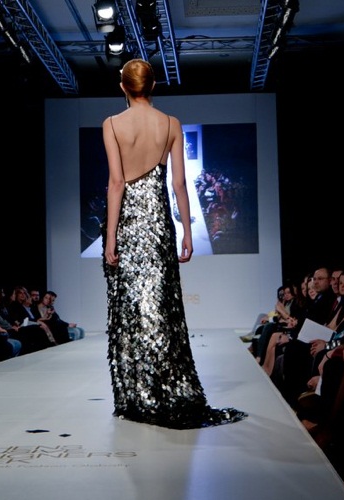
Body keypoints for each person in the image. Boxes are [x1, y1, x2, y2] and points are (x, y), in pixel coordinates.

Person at [101, 59, 247, 429]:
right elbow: (179, 183)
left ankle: (139, 393)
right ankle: (164, 387)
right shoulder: (170, 124)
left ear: (123, 87)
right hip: (159, 225)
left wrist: (111, 236)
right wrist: (186, 233)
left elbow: (116, 184)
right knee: (162, 303)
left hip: (128, 225)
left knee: (131, 307)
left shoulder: (112, 124)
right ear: (152, 86)